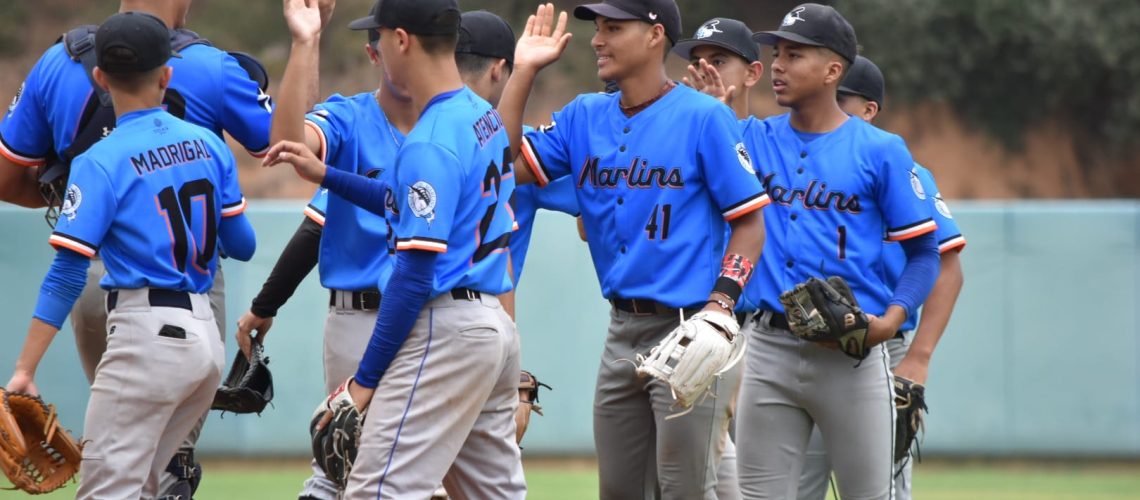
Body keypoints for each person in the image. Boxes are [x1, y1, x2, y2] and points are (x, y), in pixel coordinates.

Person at [0, 0, 277, 493]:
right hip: (204, 344)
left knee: (106, 488)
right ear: (166, 76)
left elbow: (66, 273)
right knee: (157, 483)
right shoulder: (208, 146)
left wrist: (25, 369)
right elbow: (244, 244)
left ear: (101, 79)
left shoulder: (98, 161)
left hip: (143, 335)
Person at [498, 2, 769, 498]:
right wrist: (524, 73)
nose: (598, 39)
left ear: (654, 36)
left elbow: (750, 221)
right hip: (621, 332)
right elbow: (496, 163)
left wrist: (722, 304)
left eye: (614, 28)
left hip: (692, 328)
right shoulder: (583, 115)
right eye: (598, 28)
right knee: (618, 491)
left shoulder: (705, 117)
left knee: (685, 489)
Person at [263, 0, 525, 497]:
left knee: (377, 490)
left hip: (444, 327)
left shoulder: (430, 138)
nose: (377, 46)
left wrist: (364, 382)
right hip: (491, 322)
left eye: (379, 36)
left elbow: (413, 275)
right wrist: (328, 176)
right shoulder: (478, 117)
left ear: (401, 40)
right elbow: (407, 202)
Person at [725, 4, 940, 499]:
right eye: (776, 53)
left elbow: (926, 253)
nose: (777, 65)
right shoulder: (753, 139)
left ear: (833, 70)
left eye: (794, 54)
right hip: (767, 349)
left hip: (854, 353)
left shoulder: (880, 150)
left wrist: (892, 320)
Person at [233, 0, 415, 498]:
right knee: (345, 464)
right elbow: (292, 144)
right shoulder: (350, 117)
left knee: (413, 471)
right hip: (358, 318)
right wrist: (305, 42)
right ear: (375, 53)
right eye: (385, 40)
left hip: (431, 319)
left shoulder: (453, 124)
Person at [796, 55, 967, 500]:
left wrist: (919, 358)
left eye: (842, 99)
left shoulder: (898, 168)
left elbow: (947, 267)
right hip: (798, 345)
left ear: (869, 110)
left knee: (880, 491)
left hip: (880, 345)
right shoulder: (795, 166)